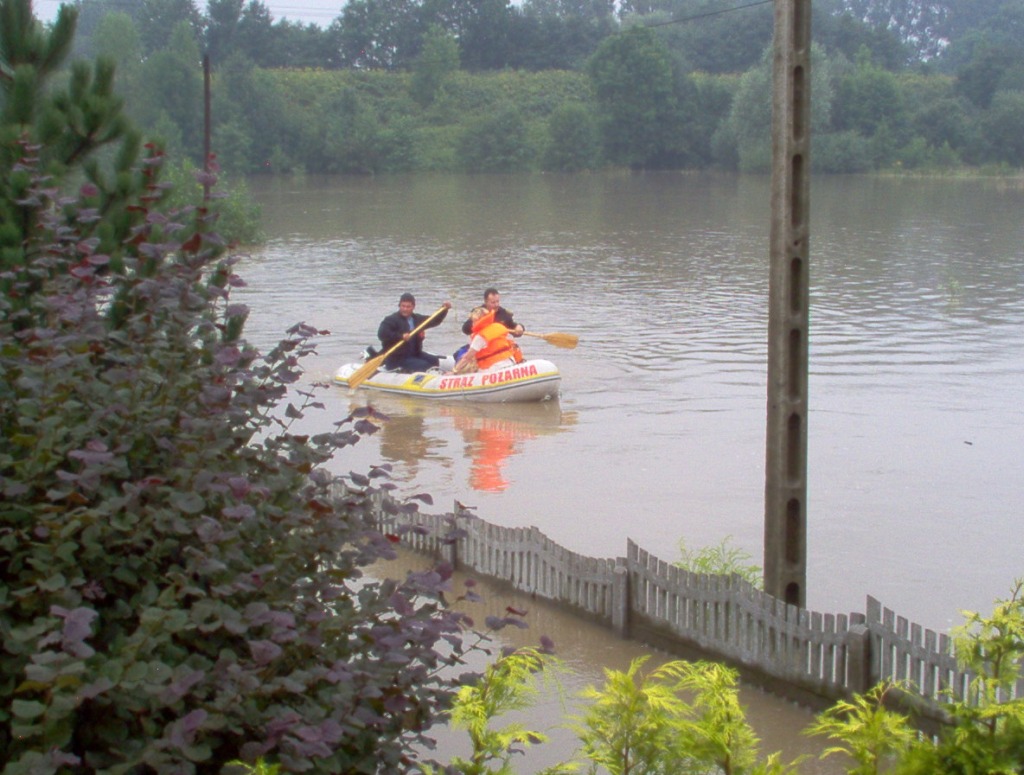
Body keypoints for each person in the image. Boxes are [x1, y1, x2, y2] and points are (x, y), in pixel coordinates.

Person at [377, 293, 451, 372]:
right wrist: (400, 336)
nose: (405, 309)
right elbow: (382, 334)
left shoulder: (417, 319)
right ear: (399, 306)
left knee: (434, 360)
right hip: (397, 358)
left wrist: (444, 309)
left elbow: (434, 321)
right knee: (424, 365)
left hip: (414, 353)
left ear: (413, 307)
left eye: (408, 307)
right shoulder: (391, 320)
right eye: (403, 306)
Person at [454, 306, 525, 373]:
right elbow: (514, 346)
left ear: (479, 321)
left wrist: (454, 371)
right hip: (510, 362)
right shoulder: (499, 327)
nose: (472, 324)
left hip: (493, 368)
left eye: (474, 321)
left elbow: (467, 358)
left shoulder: (480, 337)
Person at [460, 288, 525, 338]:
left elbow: (514, 329)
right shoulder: (478, 312)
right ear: (486, 302)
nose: (496, 305)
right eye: (493, 302)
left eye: (497, 301)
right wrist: (476, 323)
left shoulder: (504, 314)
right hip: (481, 346)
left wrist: (519, 327)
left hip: (499, 346)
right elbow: (465, 330)